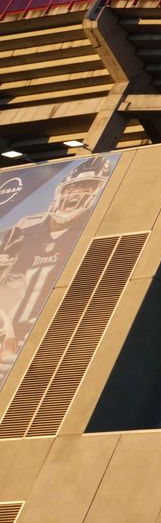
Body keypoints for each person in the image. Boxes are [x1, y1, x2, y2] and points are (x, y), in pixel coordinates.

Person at [0, 156, 112, 373]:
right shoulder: (25, 228)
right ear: (62, 189)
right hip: (9, 329)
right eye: (75, 186)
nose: (77, 193)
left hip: (46, 333)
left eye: (87, 186)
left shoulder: (95, 228)